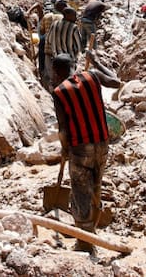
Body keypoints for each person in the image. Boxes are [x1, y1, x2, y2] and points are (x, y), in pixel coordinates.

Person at [51, 53, 122, 252]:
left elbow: (63, 128)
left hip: (80, 148)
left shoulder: (59, 92)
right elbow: (116, 81)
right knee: (96, 187)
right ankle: (93, 232)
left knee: (81, 191)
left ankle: (85, 242)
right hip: (102, 143)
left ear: (57, 72)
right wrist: (96, 61)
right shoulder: (92, 76)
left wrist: (64, 150)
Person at [43, 6, 83, 87]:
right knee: (71, 83)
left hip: (56, 59)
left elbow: (49, 40)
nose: (76, 18)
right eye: (74, 15)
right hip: (69, 61)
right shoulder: (74, 27)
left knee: (57, 82)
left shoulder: (54, 24)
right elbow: (79, 46)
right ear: (68, 15)